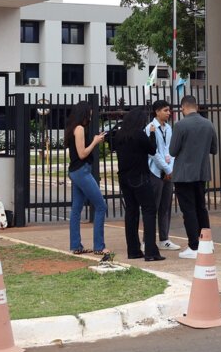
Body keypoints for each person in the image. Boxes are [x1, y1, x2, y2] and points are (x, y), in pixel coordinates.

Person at [168, 95, 218, 257]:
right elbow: (214, 149)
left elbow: (172, 151)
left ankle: (194, 246)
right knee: (201, 208)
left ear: (183, 107)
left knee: (188, 210)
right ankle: (207, 243)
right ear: (196, 106)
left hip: (184, 174)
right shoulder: (208, 124)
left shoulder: (180, 125)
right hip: (202, 173)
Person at [113, 105, 163, 260]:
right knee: (149, 210)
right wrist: (152, 134)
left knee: (131, 212)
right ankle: (151, 251)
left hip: (124, 178)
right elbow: (152, 149)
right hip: (139, 177)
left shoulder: (120, 135)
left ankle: (133, 250)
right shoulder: (139, 134)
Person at [65, 102, 109, 254]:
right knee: (101, 206)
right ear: (84, 112)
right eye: (89, 111)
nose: (91, 114)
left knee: (76, 209)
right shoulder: (79, 129)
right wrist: (95, 142)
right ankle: (99, 246)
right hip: (81, 171)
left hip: (77, 171)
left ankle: (76, 246)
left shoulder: (73, 128)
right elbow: (82, 154)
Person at [146, 100, 180, 250]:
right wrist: (166, 169)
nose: (168, 113)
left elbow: (170, 150)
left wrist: (170, 169)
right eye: (165, 110)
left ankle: (164, 239)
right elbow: (153, 152)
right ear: (157, 112)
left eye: (169, 110)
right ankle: (147, 240)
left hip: (168, 172)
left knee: (165, 206)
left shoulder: (169, 128)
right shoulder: (150, 128)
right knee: (152, 207)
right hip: (155, 172)